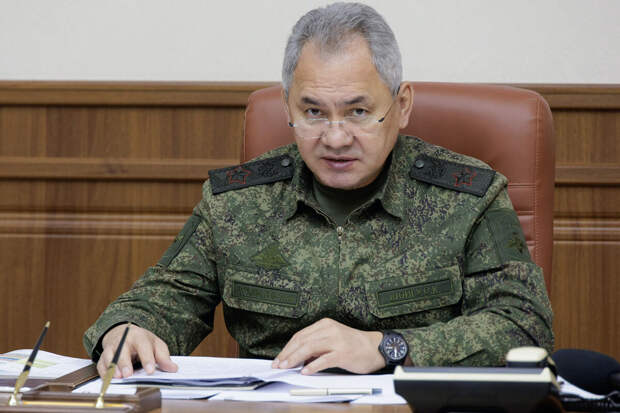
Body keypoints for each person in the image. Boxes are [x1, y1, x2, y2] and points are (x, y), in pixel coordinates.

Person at [84, 2, 553, 379]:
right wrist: (128, 329)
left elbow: (524, 326)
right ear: (287, 105)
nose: (335, 137)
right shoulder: (238, 202)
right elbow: (161, 298)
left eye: (358, 112)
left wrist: (386, 348)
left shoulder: (467, 197)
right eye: (313, 113)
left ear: (402, 105)